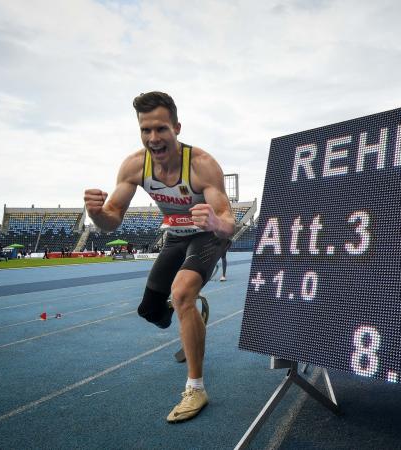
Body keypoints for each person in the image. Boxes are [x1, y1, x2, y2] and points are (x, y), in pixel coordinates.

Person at [84, 91, 234, 423]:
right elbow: (112, 219)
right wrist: (95, 214)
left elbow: (228, 220)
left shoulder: (201, 165)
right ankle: (190, 316)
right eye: (146, 130)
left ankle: (196, 388)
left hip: (207, 237)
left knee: (181, 293)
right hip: (175, 238)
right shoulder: (135, 165)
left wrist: (214, 222)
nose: (154, 138)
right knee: (150, 311)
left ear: (176, 128)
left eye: (161, 129)